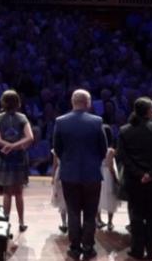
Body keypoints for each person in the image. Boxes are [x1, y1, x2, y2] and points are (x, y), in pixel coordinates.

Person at [50, 89, 107, 260]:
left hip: (69, 174)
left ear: (72, 101)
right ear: (88, 102)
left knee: (73, 212)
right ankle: (88, 248)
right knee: (90, 213)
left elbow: (57, 149)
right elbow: (103, 149)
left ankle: (74, 248)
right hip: (92, 175)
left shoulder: (60, 121)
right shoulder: (97, 121)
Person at [116, 97, 152, 260]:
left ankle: (137, 250)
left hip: (134, 180)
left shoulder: (124, 130)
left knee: (136, 216)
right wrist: (151, 173)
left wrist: (140, 174)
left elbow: (123, 157)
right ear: (148, 111)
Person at [0, 90, 34, 233]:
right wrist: (15, 146)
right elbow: (30, 138)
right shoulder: (22, 118)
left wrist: (8, 146)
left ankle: (5, 223)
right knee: (19, 192)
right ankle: (21, 223)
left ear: (2, 102)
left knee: (7, 192)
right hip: (19, 157)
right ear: (17, 102)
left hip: (5, 157)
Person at [97, 124, 121, 231]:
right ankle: (110, 222)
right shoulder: (110, 151)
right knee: (111, 197)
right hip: (107, 175)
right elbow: (111, 167)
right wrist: (116, 179)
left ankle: (98, 220)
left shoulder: (96, 149)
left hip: (99, 174)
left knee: (98, 197)